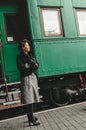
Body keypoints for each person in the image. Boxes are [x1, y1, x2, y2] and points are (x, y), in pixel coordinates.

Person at [16, 39, 40, 126]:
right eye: (27, 45)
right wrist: (31, 65)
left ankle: (31, 116)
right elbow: (22, 69)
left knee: (34, 99)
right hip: (26, 79)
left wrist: (30, 65)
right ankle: (31, 119)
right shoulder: (19, 57)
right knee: (29, 100)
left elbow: (37, 64)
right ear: (23, 48)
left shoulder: (30, 55)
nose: (29, 46)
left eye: (28, 45)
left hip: (33, 77)